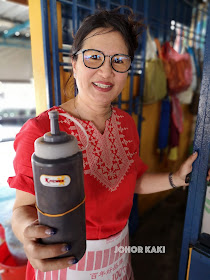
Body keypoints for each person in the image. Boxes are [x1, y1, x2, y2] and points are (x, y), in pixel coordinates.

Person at [8, 7, 210, 280]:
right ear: (75, 62)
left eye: (119, 60)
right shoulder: (40, 132)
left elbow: (132, 181)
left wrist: (176, 178)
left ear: (128, 68)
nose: (106, 71)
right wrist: (28, 233)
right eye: (94, 58)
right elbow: (22, 208)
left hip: (117, 258)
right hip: (64, 262)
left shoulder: (126, 124)